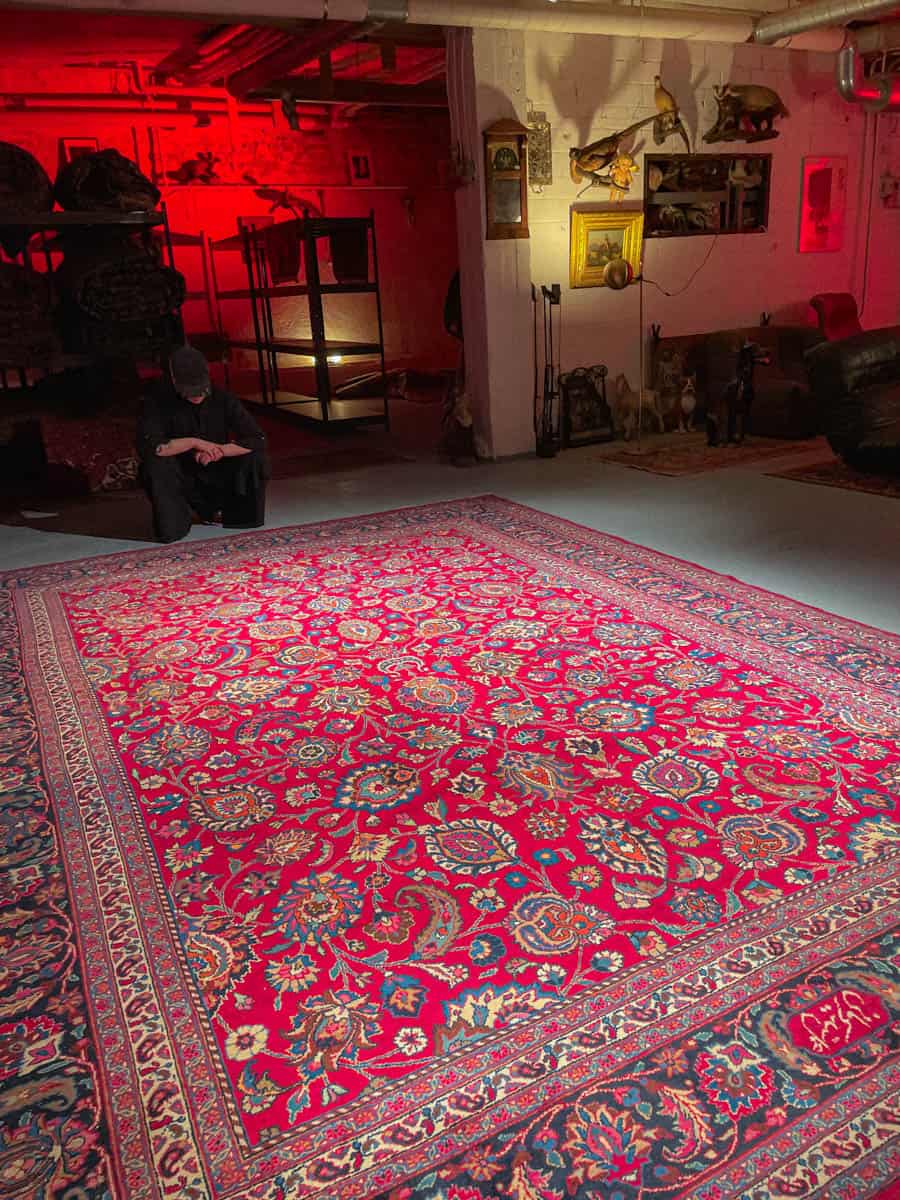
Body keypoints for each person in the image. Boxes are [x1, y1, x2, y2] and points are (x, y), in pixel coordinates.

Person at [137, 345, 268, 543]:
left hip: (215, 469)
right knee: (154, 465)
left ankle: (235, 514)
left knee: (255, 456)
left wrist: (220, 451)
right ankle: (176, 522)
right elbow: (154, 447)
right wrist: (195, 443)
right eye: (190, 391)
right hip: (180, 475)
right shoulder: (156, 402)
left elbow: (257, 439)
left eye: (200, 390)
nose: (197, 396)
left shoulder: (223, 398)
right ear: (174, 381)